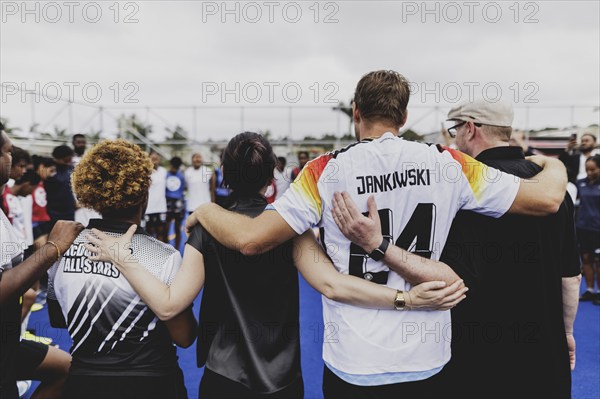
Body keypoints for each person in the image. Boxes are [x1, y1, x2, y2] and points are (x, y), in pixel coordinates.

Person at [185, 70, 567, 396]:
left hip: (355, 357)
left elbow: (251, 240)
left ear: (356, 112)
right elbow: (548, 199)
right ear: (403, 116)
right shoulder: (448, 161)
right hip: (426, 355)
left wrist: (204, 209)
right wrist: (553, 164)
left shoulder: (323, 170)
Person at [86, 132, 469, 398]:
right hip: (283, 377)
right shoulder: (293, 232)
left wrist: (126, 258)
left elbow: (170, 305)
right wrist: (405, 300)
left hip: (224, 375)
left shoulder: (206, 229)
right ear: (272, 178)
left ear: (224, 176)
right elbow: (334, 285)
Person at [334, 99, 582, 398]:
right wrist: (566, 332)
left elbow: (445, 276)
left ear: (470, 128)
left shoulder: (460, 188)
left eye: (455, 130)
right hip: (543, 351)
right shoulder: (550, 187)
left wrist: (378, 246)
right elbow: (571, 276)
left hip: (475, 353)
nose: (454, 138)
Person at [46, 139, 196, 399]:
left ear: (91, 195)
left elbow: (57, 318)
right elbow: (184, 336)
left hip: (84, 382)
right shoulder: (164, 255)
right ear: (144, 195)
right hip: (152, 383)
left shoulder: (62, 247)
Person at [0, 122, 83, 399]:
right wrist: (53, 248)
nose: (14, 162)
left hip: (8, 341)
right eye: (9, 152)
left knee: (68, 368)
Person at [576, 155, 600, 304]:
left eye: (593, 169)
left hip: (598, 229)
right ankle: (590, 290)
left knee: (599, 260)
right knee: (586, 258)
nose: (589, 172)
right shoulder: (580, 183)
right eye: (587, 170)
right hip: (583, 227)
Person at [45, 145, 76, 225]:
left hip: (69, 210)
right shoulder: (49, 168)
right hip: (53, 211)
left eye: (70, 159)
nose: (69, 161)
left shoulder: (71, 169)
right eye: (67, 159)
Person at [144, 151, 168, 243]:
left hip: (161, 207)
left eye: (156, 159)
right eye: (152, 159)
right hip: (149, 208)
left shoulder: (164, 171)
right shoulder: (146, 172)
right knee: (149, 233)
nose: (155, 161)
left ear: (160, 160)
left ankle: (161, 254)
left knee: (161, 232)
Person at [165, 156, 186, 250]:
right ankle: (166, 249)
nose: (173, 169)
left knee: (178, 228)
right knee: (166, 228)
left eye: (176, 167)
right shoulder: (166, 175)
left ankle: (176, 250)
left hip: (178, 202)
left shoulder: (181, 175)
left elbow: (184, 188)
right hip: (168, 202)